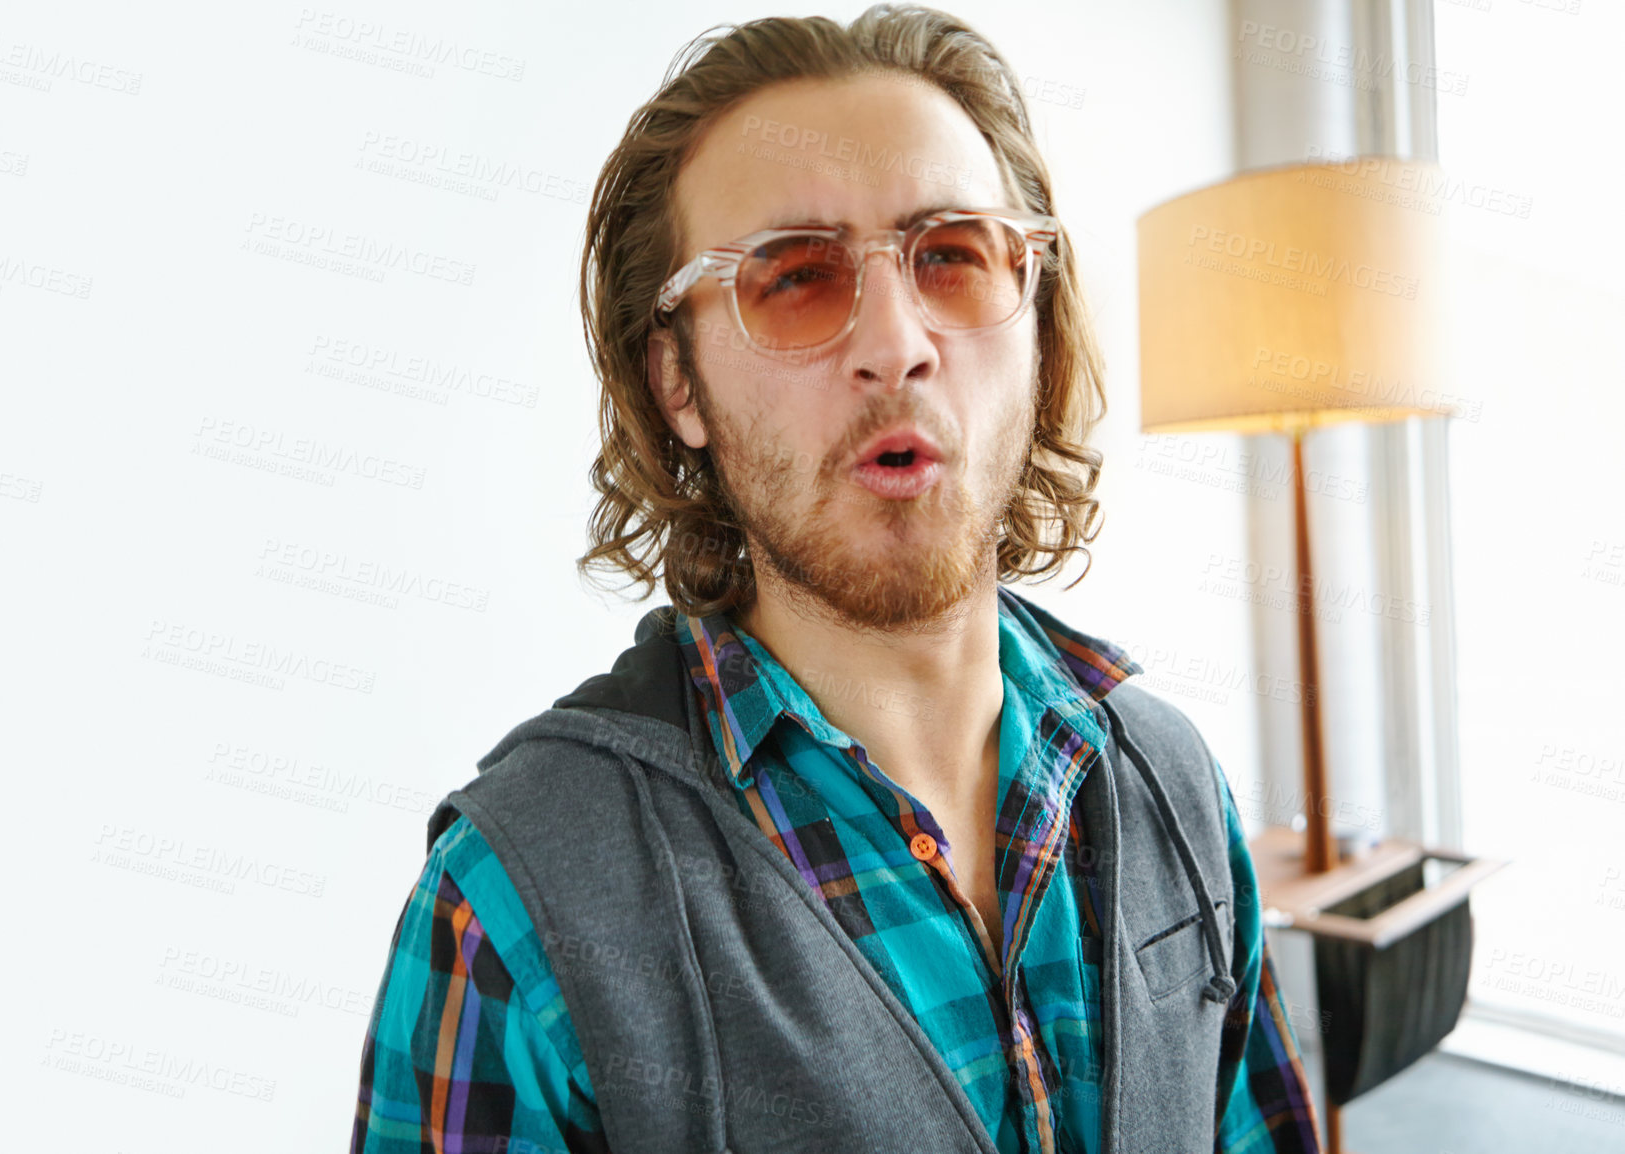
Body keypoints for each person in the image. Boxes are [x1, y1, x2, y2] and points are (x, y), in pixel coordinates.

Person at [350, 6, 1322, 1152]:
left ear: (1037, 321)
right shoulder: (517, 909)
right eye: (796, 277)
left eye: (951, 254)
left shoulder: (1169, 781)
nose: (896, 339)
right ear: (677, 384)